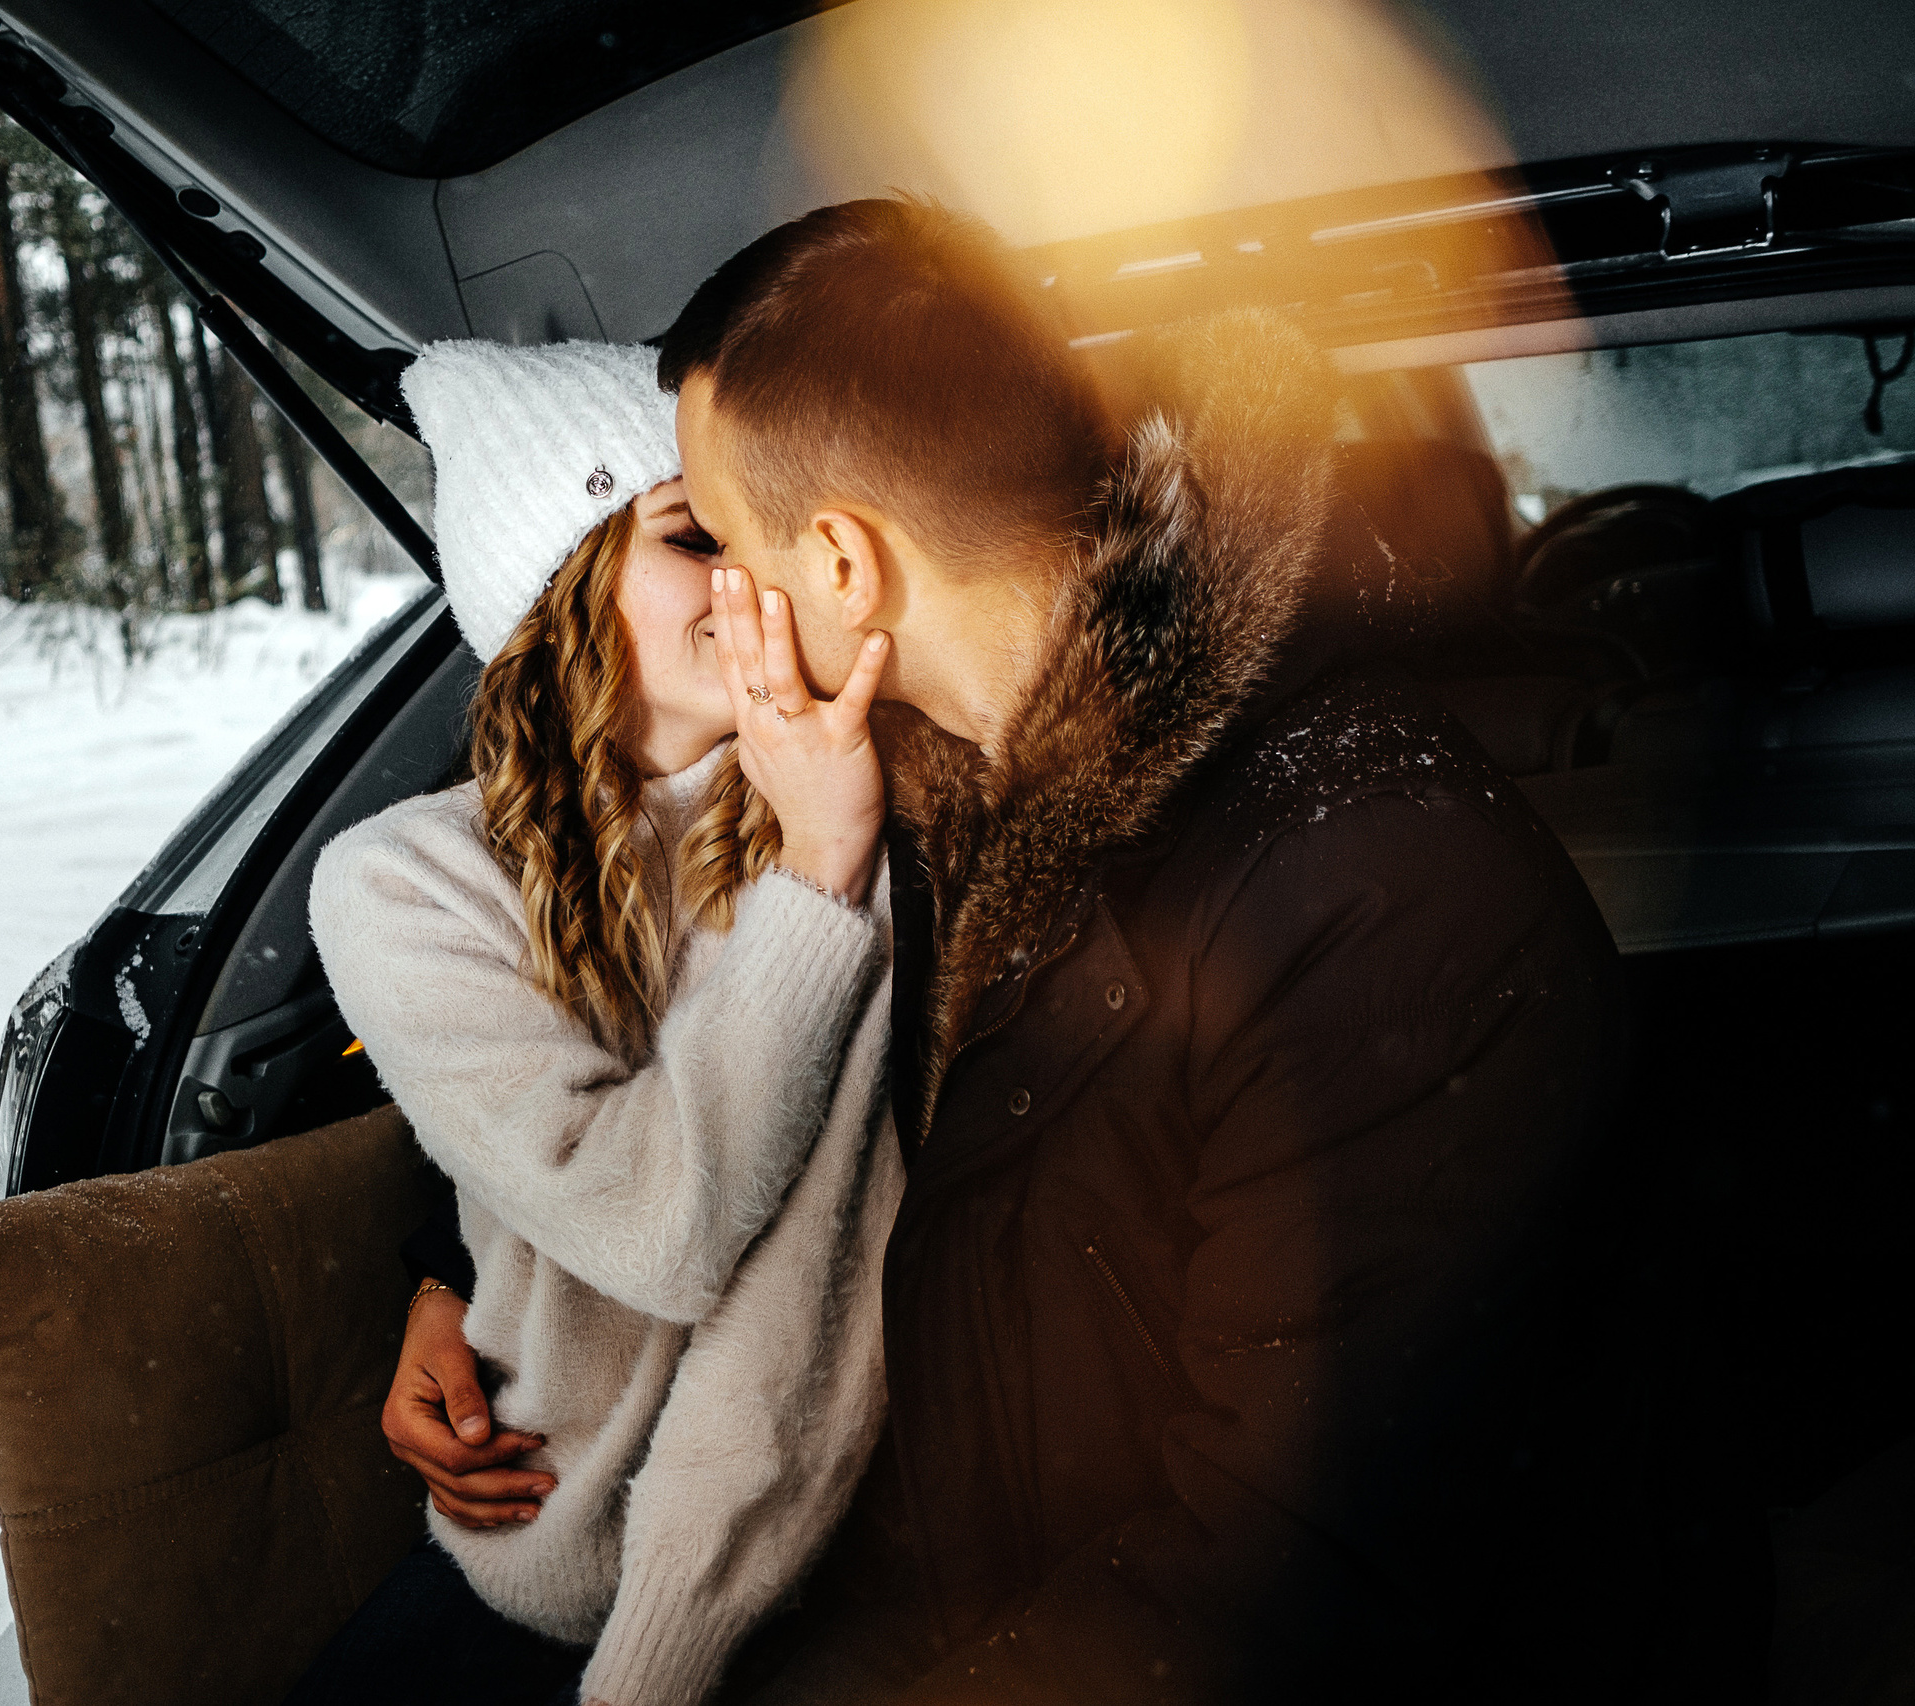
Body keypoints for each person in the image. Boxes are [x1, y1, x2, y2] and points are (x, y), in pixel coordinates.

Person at [390, 200, 1677, 1702]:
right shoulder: (894, 784)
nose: (725, 600)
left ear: (844, 565)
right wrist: (443, 1278)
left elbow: (1275, 1591)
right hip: (946, 1569)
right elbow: (629, 1001)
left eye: (724, 542)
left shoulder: (1376, 893)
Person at [295, 339, 907, 1706]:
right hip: (525, 1543)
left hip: (780, 1596)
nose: (753, 577)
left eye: (761, 530)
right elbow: (620, 1200)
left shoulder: (853, 821)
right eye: (696, 535)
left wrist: (821, 864)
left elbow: (754, 1292)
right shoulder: (403, 881)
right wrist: (442, 1279)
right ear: (559, 592)